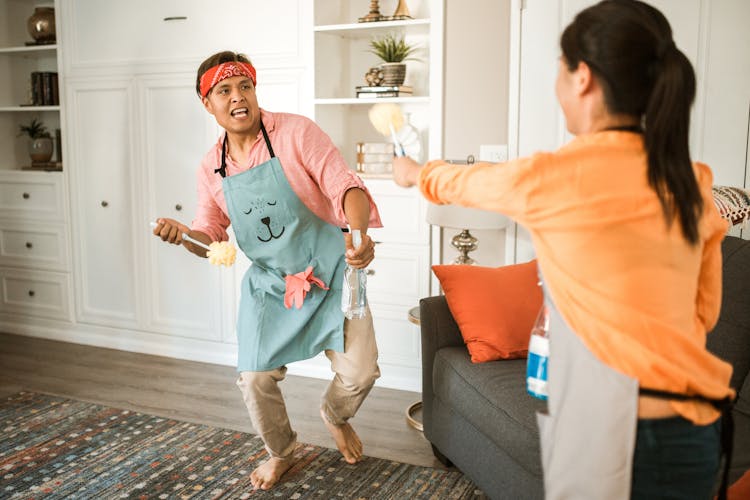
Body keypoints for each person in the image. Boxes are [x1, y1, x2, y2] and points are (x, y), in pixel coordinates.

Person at [393, 1, 734, 499]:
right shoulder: (692, 183)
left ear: (582, 78)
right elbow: (703, 314)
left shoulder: (557, 178)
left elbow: (466, 182)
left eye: (559, 66)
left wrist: (414, 173)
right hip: (696, 425)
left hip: (611, 431)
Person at [152, 51, 382, 491]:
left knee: (360, 374)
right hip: (271, 286)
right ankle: (281, 451)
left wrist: (357, 234)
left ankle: (334, 414)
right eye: (224, 91)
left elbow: (346, 184)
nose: (238, 98)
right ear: (208, 103)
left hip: (333, 271)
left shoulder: (296, 133)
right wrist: (184, 235)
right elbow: (211, 238)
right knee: (254, 377)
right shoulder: (210, 167)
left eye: (245, 87)